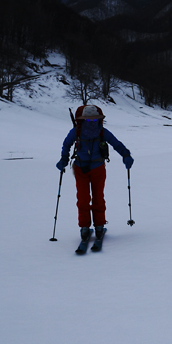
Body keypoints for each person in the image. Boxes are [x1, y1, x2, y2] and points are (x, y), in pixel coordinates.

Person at [57, 104, 133, 243]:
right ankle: (84, 227)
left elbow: (116, 144)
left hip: (98, 168)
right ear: (83, 119)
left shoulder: (102, 132)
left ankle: (99, 225)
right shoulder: (76, 132)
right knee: (83, 198)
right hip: (81, 169)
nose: (92, 122)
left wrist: (126, 155)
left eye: (94, 119)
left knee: (98, 197)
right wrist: (63, 159)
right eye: (88, 119)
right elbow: (66, 144)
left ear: (99, 119)